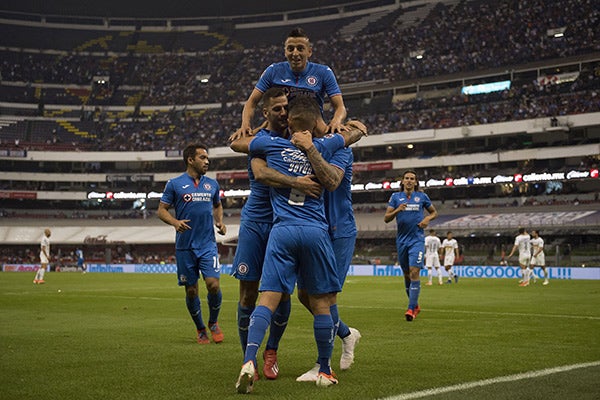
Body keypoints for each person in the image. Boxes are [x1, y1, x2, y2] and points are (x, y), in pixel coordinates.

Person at [234, 97, 367, 393]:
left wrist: (251, 127)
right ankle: (325, 367)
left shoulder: (271, 146)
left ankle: (248, 360)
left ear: (291, 122)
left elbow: (239, 146)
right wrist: (351, 131)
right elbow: (350, 140)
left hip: (289, 230)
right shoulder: (327, 146)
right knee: (317, 301)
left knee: (268, 298)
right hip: (315, 230)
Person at [230, 87, 322, 380]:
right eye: (278, 109)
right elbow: (259, 171)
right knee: (248, 294)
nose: (284, 113)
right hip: (257, 223)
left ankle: (271, 351)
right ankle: (249, 359)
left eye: (286, 108)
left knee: (281, 295)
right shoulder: (260, 141)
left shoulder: (299, 138)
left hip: (286, 224)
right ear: (266, 112)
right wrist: (295, 180)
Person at [157, 143, 227, 344]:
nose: (207, 161)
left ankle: (213, 322)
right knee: (191, 290)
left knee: (213, 285)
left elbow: (218, 205)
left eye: (207, 158)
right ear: (190, 160)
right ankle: (200, 328)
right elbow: (161, 210)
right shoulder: (174, 184)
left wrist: (220, 222)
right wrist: (174, 222)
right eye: (202, 158)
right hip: (185, 246)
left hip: (207, 244)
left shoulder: (212, 184)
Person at [235, 27, 347, 137]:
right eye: (290, 48)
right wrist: (245, 124)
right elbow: (251, 103)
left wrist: (336, 120)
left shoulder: (323, 72)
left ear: (309, 52)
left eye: (300, 48)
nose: (295, 53)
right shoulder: (273, 71)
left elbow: (340, 107)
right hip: (281, 133)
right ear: (285, 52)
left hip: (312, 133)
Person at [384, 170, 438, 321]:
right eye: (406, 178)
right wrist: (397, 210)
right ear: (402, 181)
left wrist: (427, 219)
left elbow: (434, 213)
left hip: (417, 240)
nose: (409, 181)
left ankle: (410, 309)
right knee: (407, 274)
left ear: (415, 182)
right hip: (401, 241)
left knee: (414, 272)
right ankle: (415, 305)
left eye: (412, 179)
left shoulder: (422, 197)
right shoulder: (395, 197)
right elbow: (386, 219)